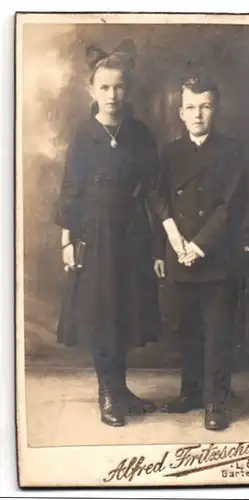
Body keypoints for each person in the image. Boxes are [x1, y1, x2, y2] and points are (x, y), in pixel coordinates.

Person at [55, 40, 162, 427]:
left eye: (118, 87)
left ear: (127, 90)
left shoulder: (140, 134)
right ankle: (106, 393)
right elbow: (71, 189)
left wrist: (159, 239)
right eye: (104, 87)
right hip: (95, 234)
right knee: (102, 313)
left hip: (132, 231)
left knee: (125, 310)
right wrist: (67, 239)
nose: (112, 95)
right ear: (92, 90)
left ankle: (121, 388)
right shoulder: (84, 136)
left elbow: (153, 186)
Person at [153, 74, 248, 430]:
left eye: (205, 106)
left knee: (216, 330)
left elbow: (230, 206)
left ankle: (215, 402)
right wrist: (172, 241)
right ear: (180, 113)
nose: (198, 115)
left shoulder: (232, 151)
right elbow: (158, 198)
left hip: (216, 254)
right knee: (185, 326)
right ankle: (191, 391)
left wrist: (198, 245)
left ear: (216, 109)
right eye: (191, 107)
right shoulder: (170, 153)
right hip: (178, 251)